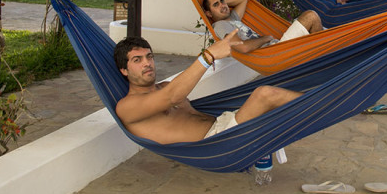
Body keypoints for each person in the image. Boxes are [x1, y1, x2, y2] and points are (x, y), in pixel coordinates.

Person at [113, 34, 302, 144]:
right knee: (265, 94)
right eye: (137, 60)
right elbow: (172, 97)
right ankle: (324, 102)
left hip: (225, 124)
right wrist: (208, 56)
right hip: (216, 144)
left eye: (149, 57)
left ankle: (320, 100)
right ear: (123, 70)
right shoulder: (127, 106)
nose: (147, 63)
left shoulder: (165, 86)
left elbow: (178, 87)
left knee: (281, 93)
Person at [202, 0, 323, 53]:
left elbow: (243, 0)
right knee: (311, 16)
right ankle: (322, 59)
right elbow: (242, 47)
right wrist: (265, 39)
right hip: (274, 52)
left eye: (222, 1)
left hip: (277, 47)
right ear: (208, 14)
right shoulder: (220, 25)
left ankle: (321, 56)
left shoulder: (233, 18)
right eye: (215, 5)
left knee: (324, 29)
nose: (222, 5)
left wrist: (221, 3)